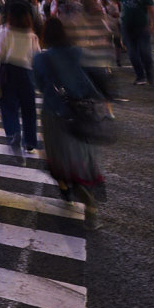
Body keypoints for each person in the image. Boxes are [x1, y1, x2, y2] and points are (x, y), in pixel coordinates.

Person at [33, 18, 106, 220]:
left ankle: (67, 189)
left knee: (58, 158)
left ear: (45, 36)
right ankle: (90, 208)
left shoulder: (40, 59)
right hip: (82, 114)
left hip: (54, 114)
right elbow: (94, 81)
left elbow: (39, 85)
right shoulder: (79, 53)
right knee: (82, 160)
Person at [0, 0, 40, 155]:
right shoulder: (31, 34)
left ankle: (14, 134)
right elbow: (37, 55)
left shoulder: (3, 31)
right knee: (29, 109)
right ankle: (30, 142)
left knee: (9, 107)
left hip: (8, 71)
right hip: (27, 72)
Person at [115, 0, 154, 87]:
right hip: (127, 27)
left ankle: (149, 74)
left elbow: (152, 10)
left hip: (141, 26)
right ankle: (140, 76)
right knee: (132, 53)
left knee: (145, 52)